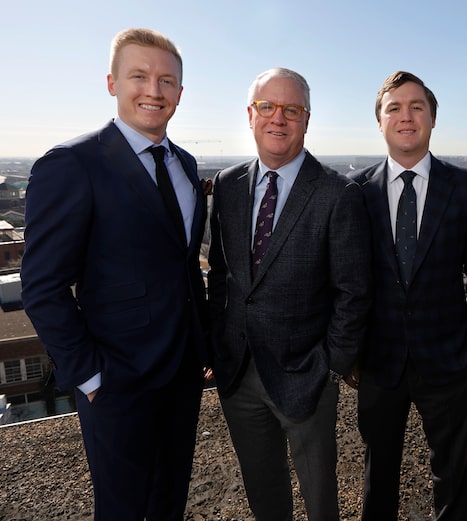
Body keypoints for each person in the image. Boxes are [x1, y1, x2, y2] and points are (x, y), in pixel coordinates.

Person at [20, 28, 209, 520]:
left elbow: (183, 267)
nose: (154, 90)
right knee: (123, 509)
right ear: (112, 83)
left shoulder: (186, 166)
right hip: (118, 382)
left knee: (170, 503)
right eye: (139, 76)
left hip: (182, 376)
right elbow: (42, 288)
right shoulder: (71, 164)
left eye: (167, 80)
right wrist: (91, 376)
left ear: (180, 94)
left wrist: (203, 349)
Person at [207, 67, 372, 521]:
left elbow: (353, 293)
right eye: (267, 107)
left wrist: (331, 363)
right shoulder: (227, 185)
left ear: (306, 119)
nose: (278, 119)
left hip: (307, 376)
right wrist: (218, 342)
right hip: (239, 373)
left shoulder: (338, 193)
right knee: (264, 493)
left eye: (291, 109)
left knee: (320, 501)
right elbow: (221, 273)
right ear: (250, 114)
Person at [348, 71, 467, 520]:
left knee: (453, 479)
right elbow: (347, 278)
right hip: (378, 362)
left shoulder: (464, 185)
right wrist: (352, 352)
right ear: (380, 122)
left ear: (432, 119)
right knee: (379, 479)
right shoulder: (356, 190)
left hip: (451, 359)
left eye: (417, 107)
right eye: (394, 107)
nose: (405, 116)